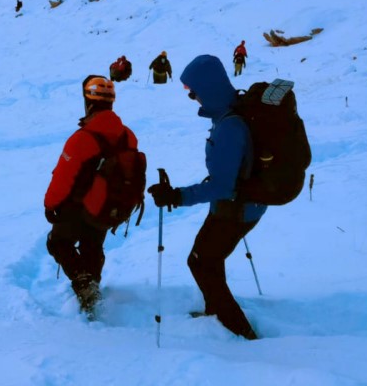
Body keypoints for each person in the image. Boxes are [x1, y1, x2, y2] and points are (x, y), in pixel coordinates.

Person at [147, 55, 263, 340]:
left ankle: (239, 330)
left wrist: (177, 196)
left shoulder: (230, 127)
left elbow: (222, 186)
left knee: (201, 262)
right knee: (208, 257)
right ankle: (216, 311)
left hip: (237, 208)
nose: (192, 98)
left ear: (208, 87)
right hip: (238, 205)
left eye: (193, 92)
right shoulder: (226, 115)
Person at [43, 75, 143, 319]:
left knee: (58, 243)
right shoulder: (127, 135)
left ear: (88, 102)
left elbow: (63, 178)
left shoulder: (82, 139)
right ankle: (92, 286)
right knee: (93, 243)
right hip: (109, 206)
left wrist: (50, 205)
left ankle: (85, 284)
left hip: (79, 206)